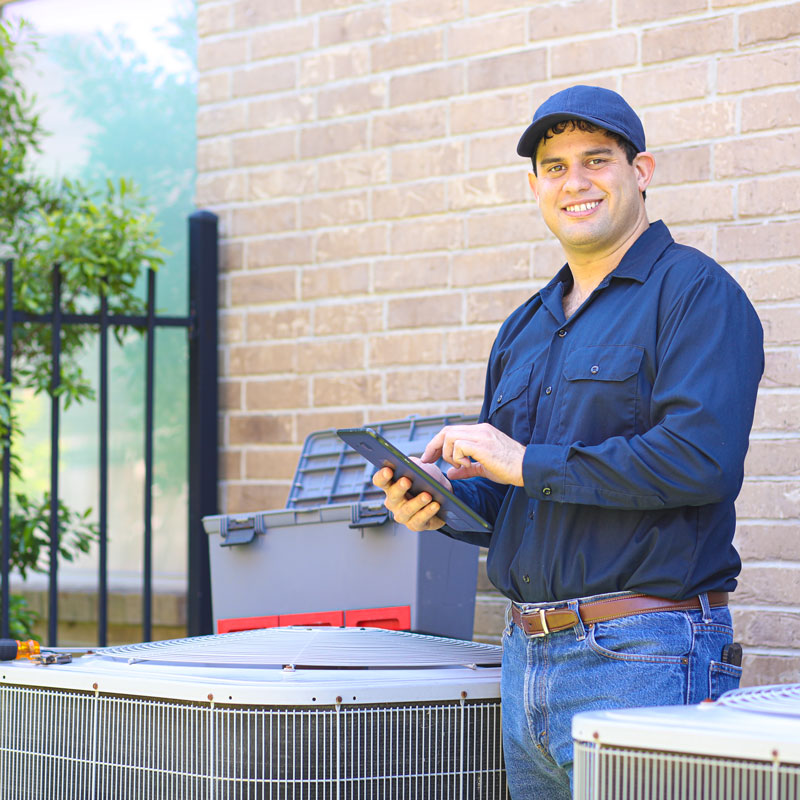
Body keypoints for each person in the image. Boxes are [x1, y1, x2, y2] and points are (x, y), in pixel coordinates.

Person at [373, 84, 764, 798]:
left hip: (643, 654)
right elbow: (516, 493)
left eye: (597, 160)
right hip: (526, 659)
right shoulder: (526, 325)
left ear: (640, 170)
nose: (574, 182)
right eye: (555, 167)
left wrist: (522, 463)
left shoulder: (696, 295)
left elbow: (700, 461)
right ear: (535, 186)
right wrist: (447, 503)